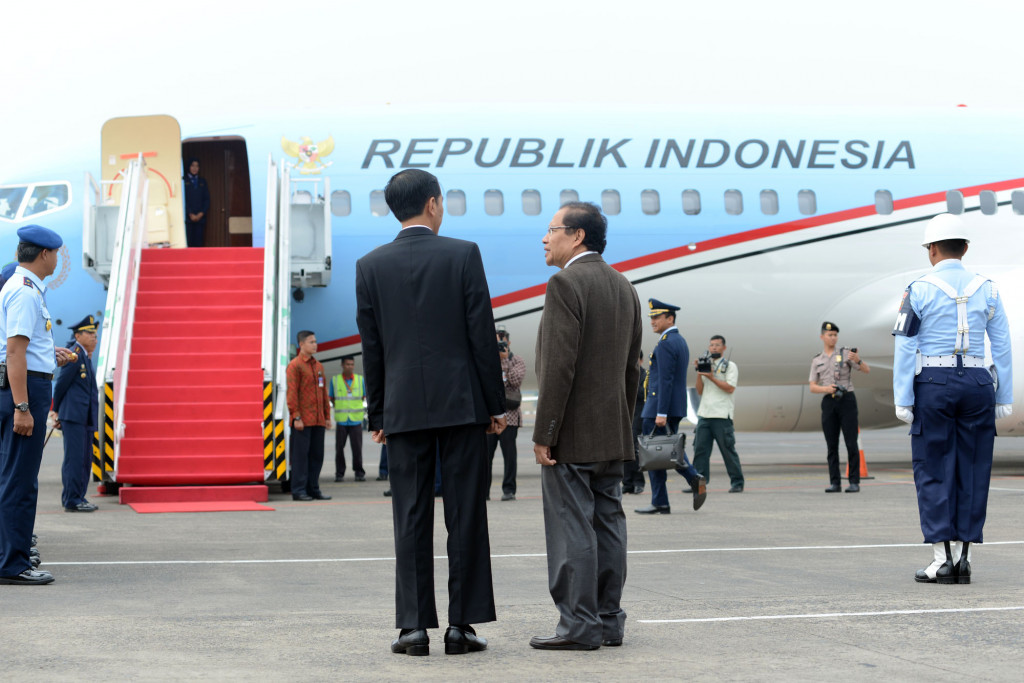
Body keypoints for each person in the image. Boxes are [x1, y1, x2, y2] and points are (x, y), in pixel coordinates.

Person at [355, 169, 505, 657]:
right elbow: (481, 336)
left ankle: (414, 629)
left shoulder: (369, 266)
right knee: (465, 514)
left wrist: (377, 413)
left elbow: (372, 348)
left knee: (410, 516)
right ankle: (460, 628)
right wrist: (493, 406)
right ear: (434, 204)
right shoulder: (463, 254)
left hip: (402, 407)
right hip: (461, 405)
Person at [530, 201, 642, 651]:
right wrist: (623, 422)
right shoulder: (624, 286)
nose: (545, 237)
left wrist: (544, 434)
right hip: (611, 432)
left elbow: (559, 367)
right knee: (609, 524)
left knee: (572, 528)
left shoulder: (565, 284)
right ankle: (609, 621)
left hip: (572, 437)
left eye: (552, 229)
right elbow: (633, 370)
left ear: (576, 236)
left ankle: (578, 624)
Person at [892, 213, 1012, 584]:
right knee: (974, 469)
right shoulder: (988, 289)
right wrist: (1003, 393)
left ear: (931, 250)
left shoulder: (919, 290)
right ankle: (964, 558)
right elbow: (1002, 345)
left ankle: (941, 558)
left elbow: (906, 344)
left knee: (933, 468)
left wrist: (903, 397)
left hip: (934, 381)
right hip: (977, 382)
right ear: (965, 248)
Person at [0, 225, 73, 585]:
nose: (57, 260)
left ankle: (8, 554)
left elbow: (20, 349)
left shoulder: (22, 288)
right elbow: (14, 351)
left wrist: (47, 356)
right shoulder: (25, 292)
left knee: (12, 477)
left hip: (25, 384)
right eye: (55, 254)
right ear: (44, 255)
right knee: (20, 480)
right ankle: (12, 564)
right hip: (23, 391)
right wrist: (23, 406)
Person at [635, 298, 706, 514]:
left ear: (670, 318)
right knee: (665, 452)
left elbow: (664, 380)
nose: (652, 322)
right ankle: (664, 499)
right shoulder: (679, 340)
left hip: (659, 408)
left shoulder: (666, 343)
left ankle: (687, 482)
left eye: (657, 317)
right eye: (652, 318)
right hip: (671, 407)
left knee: (654, 454)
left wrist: (660, 412)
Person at [809, 321, 870, 493]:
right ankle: (835, 482)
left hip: (847, 400)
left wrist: (858, 359)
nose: (833, 338)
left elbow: (866, 370)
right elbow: (812, 386)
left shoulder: (845, 354)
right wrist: (826, 389)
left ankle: (854, 481)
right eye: (829, 335)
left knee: (851, 442)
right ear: (822, 337)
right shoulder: (817, 360)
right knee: (831, 444)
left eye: (835, 335)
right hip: (829, 401)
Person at [53, 315, 99, 512]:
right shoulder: (74, 354)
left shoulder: (84, 355)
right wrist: (56, 411)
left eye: (96, 335)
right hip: (73, 416)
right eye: (90, 334)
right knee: (75, 459)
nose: (94, 338)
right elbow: (61, 384)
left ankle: (79, 496)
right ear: (78, 335)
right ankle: (72, 499)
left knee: (84, 458)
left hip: (84, 416)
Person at [692, 335, 745, 493]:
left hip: (721, 415)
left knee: (728, 450)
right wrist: (700, 372)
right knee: (700, 451)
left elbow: (730, 388)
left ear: (724, 348)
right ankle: (699, 483)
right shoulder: (706, 365)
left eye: (717, 345)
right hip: (705, 414)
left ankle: (737, 482)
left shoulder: (730, 366)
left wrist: (712, 377)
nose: (714, 347)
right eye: (711, 345)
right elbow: (700, 391)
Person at [286, 330, 332, 502]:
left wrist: (327, 416)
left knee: (316, 457)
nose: (315, 344)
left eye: (315, 341)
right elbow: (292, 393)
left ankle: (313, 489)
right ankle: (298, 490)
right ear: (301, 345)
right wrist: (296, 416)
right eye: (311, 342)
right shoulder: (295, 365)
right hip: (303, 421)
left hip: (318, 420)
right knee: (300, 458)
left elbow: (323, 393)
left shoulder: (318, 366)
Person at [487, 329, 524, 501]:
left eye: (502, 343)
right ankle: (483, 491)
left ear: (508, 343)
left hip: (510, 417)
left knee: (509, 457)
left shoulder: (517, 361)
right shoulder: (487, 360)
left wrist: (505, 361)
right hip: (491, 417)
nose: (500, 346)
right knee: (485, 457)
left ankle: (509, 490)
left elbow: (515, 381)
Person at [329, 355, 365, 482]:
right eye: (347, 364)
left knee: (357, 448)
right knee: (339, 449)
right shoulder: (335, 380)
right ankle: (339, 473)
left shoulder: (361, 380)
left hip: (356, 420)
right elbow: (331, 398)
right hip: (342, 420)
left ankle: (359, 473)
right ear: (342, 365)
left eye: (352, 364)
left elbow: (363, 397)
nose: (350, 366)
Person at [621, 350, 646, 494]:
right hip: (624, 418)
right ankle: (627, 482)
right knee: (623, 451)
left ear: (641, 361)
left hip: (638, 417)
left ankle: (638, 482)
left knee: (635, 451)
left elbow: (644, 394)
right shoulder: (622, 376)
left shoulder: (644, 376)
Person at [183, 158, 210, 247]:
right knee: (188, 243)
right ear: (188, 167)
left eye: (197, 166)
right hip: (188, 219)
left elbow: (207, 199)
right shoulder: (183, 180)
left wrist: (201, 213)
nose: (195, 168)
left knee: (199, 244)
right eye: (192, 166)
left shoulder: (202, 181)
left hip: (200, 218)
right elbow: (183, 199)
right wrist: (190, 213)